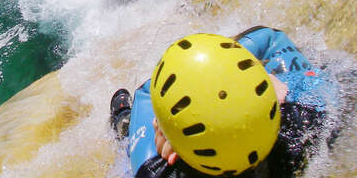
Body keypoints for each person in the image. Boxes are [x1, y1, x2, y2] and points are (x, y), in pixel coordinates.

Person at [110, 26, 338, 177]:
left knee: (142, 109)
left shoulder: (158, 171)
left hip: (174, 156)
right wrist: (283, 89)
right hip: (283, 121)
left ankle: (123, 121)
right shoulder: (304, 124)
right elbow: (269, 38)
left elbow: (149, 92)